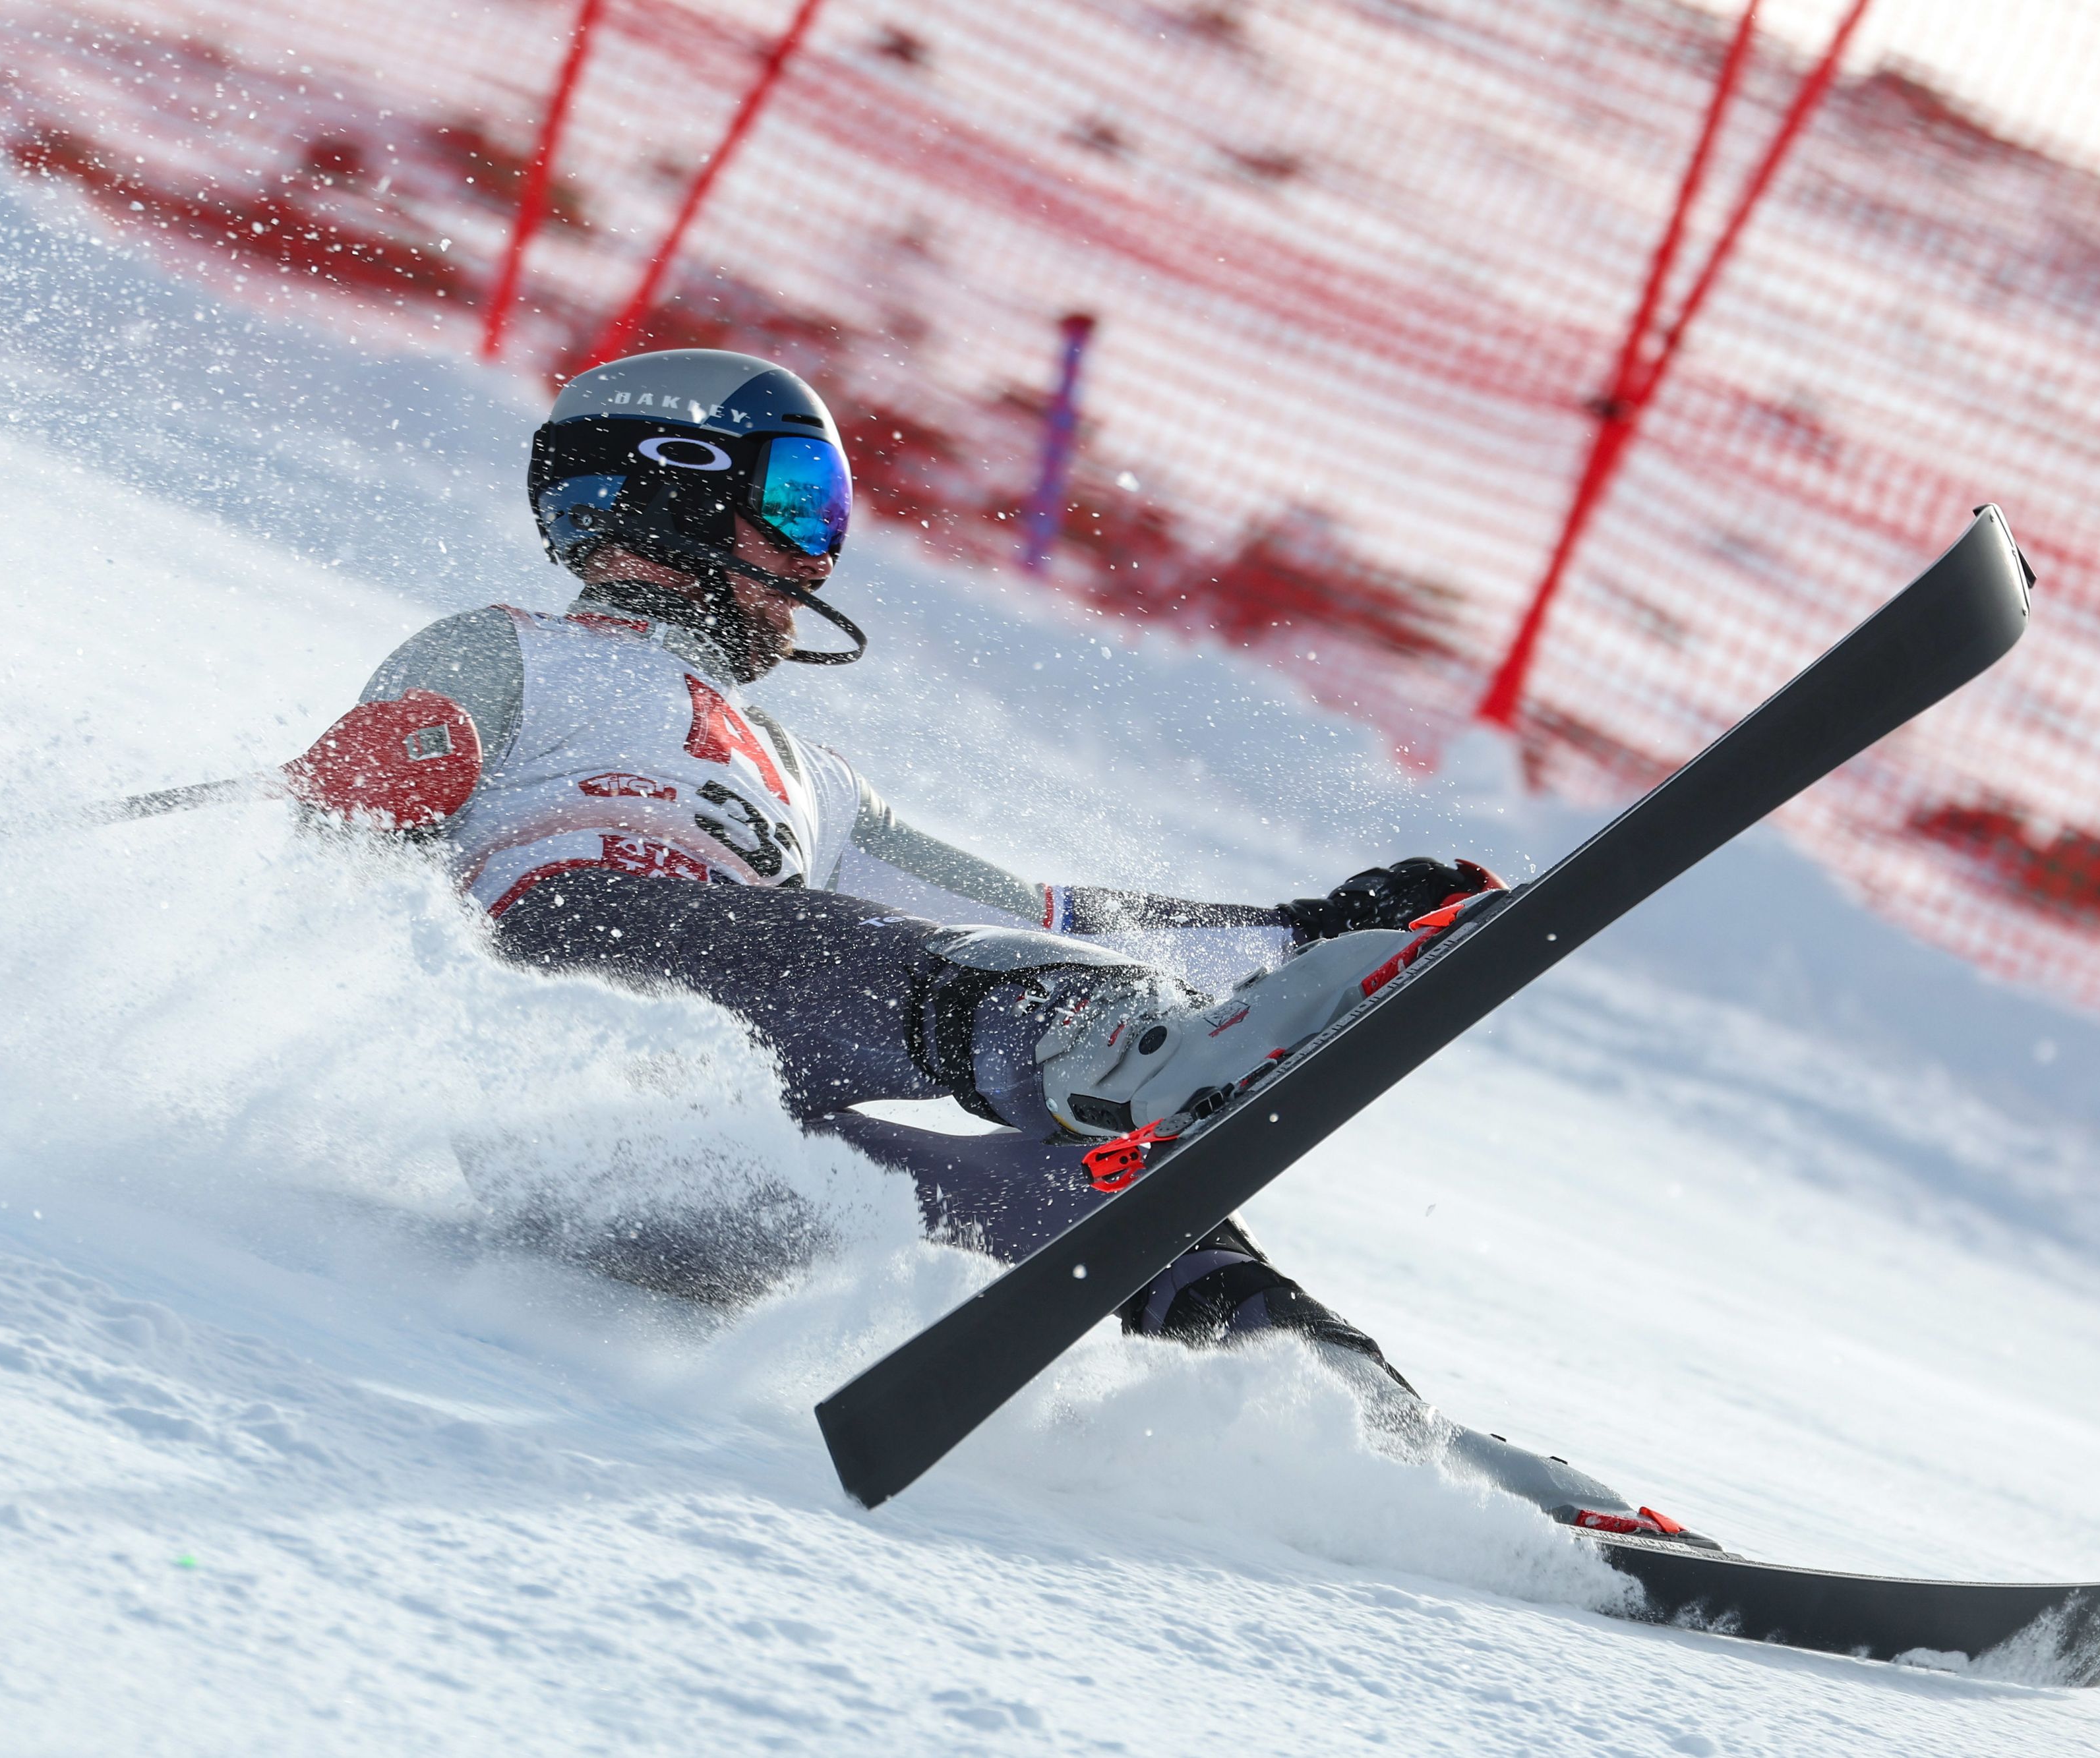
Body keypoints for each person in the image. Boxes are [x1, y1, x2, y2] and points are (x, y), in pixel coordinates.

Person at [287, 348, 1714, 1548]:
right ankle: (1132, 1056)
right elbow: (363, 790)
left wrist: (1299, 930)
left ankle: (1379, 1434)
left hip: (730, 1185)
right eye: (794, 497)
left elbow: (1039, 921)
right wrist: (388, 772)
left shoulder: (806, 775)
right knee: (874, 961)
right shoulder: (515, 647)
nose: (814, 552)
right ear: (662, 486)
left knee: (1114, 1184)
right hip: (570, 1026)